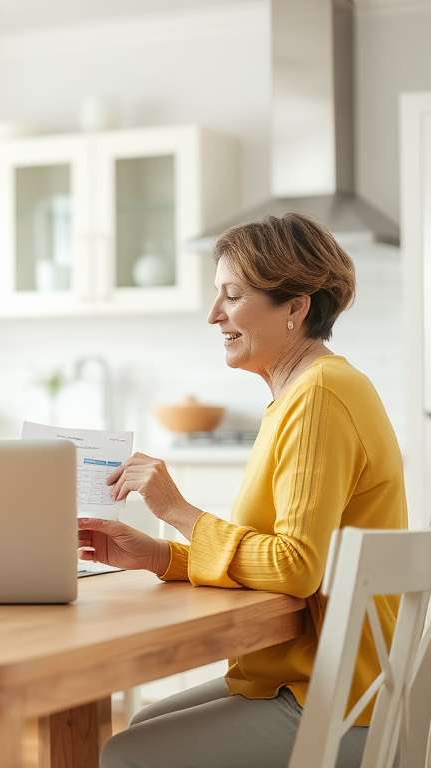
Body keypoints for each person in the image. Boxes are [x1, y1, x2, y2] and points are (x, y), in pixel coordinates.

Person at [78, 213, 406, 768]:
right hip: (329, 678)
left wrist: (178, 511)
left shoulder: (320, 394)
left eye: (232, 295)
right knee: (141, 725)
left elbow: (296, 566)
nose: (214, 315)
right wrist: (159, 555)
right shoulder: (303, 392)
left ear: (296, 306)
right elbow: (278, 553)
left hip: (342, 700)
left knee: (127, 755)